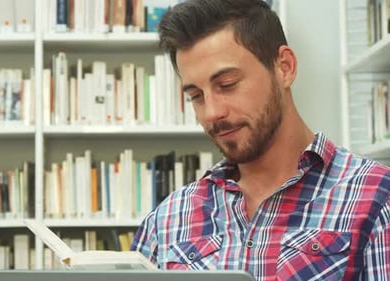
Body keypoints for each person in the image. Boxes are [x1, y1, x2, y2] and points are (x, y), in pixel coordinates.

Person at [130, 0, 390, 280]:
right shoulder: (167, 219)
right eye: (196, 96)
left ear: (285, 68)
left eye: (227, 85)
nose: (212, 112)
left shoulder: (376, 200)